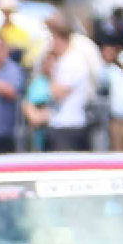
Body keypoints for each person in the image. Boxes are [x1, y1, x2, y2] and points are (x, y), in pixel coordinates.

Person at [42, 12, 96, 151]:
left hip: (69, 127)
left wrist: (50, 73)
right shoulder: (62, 60)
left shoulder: (73, 61)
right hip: (59, 125)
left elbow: (57, 93)